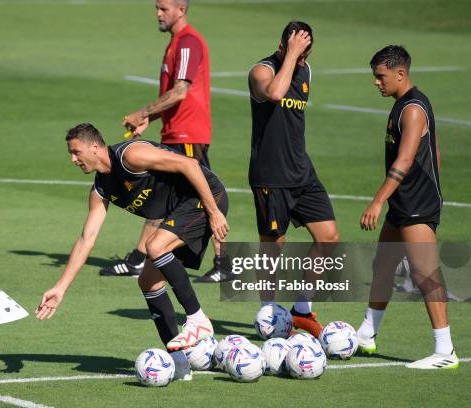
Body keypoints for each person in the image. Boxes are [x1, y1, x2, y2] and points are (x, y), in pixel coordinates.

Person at [36, 123, 229, 380]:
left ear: (94, 147)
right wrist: (60, 288)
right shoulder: (100, 189)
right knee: (148, 281)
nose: (73, 159)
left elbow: (190, 165)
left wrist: (214, 212)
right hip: (178, 211)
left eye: (76, 152)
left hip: (206, 198)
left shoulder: (130, 156)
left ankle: (197, 319)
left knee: (155, 245)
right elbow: (86, 239)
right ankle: (179, 362)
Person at [99, 0, 230, 283]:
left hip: (188, 134)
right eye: (157, 8)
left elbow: (181, 90)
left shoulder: (187, 43)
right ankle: (141, 258)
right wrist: (152, 119)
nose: (158, 14)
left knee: (197, 193)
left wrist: (143, 111)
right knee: (168, 196)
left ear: (181, 10)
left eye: (164, 8)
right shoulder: (175, 43)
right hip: (176, 132)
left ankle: (222, 262)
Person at [357, 45, 458, 369]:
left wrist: (377, 200)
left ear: (400, 74)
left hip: (416, 204)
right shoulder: (402, 104)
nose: (376, 82)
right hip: (405, 202)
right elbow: (435, 152)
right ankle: (367, 334)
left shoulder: (412, 109)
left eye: (380, 76)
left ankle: (445, 351)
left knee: (425, 274)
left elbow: (404, 160)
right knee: (383, 266)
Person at [247, 21, 339, 338]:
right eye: (298, 51)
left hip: (302, 172)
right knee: (274, 246)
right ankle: (268, 313)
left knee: (328, 237)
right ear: (283, 45)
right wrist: (291, 56)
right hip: (270, 174)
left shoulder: (306, 70)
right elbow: (274, 93)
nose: (302, 60)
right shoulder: (261, 71)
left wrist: (299, 59)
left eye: (306, 53)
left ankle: (301, 309)